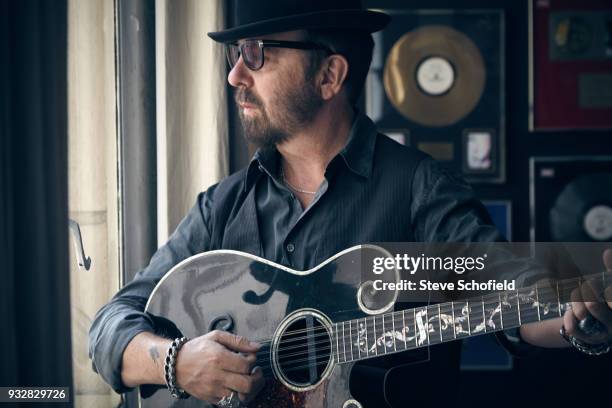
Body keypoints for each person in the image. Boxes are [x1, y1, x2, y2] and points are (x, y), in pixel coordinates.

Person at [89, 1, 612, 407]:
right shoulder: (221, 208)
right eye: (235, 56)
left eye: (256, 54)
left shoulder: (421, 190)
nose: (235, 77)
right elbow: (111, 325)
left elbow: (512, 295)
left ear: (329, 76)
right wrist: (176, 363)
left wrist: (577, 314)